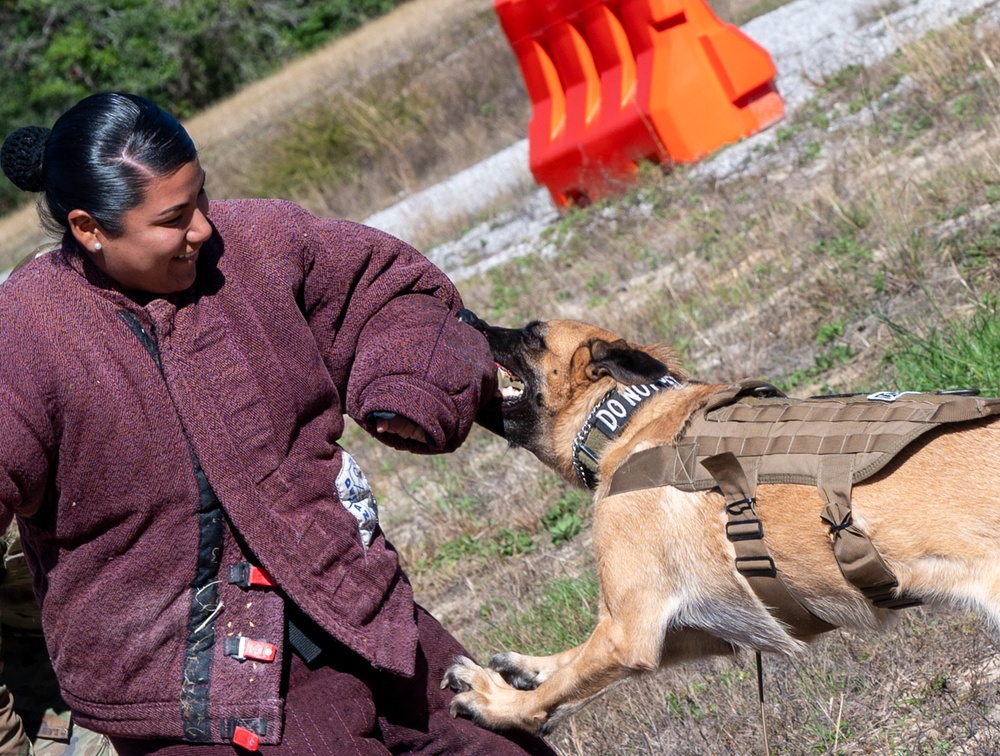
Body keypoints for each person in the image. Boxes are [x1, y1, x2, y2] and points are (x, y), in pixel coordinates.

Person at [0, 92, 555, 755]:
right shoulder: (27, 337)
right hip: (191, 692)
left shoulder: (259, 245)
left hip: (354, 608)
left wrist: (406, 381)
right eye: (174, 219)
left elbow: (388, 292)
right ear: (90, 228)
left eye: (201, 198)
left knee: (500, 746)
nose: (203, 229)